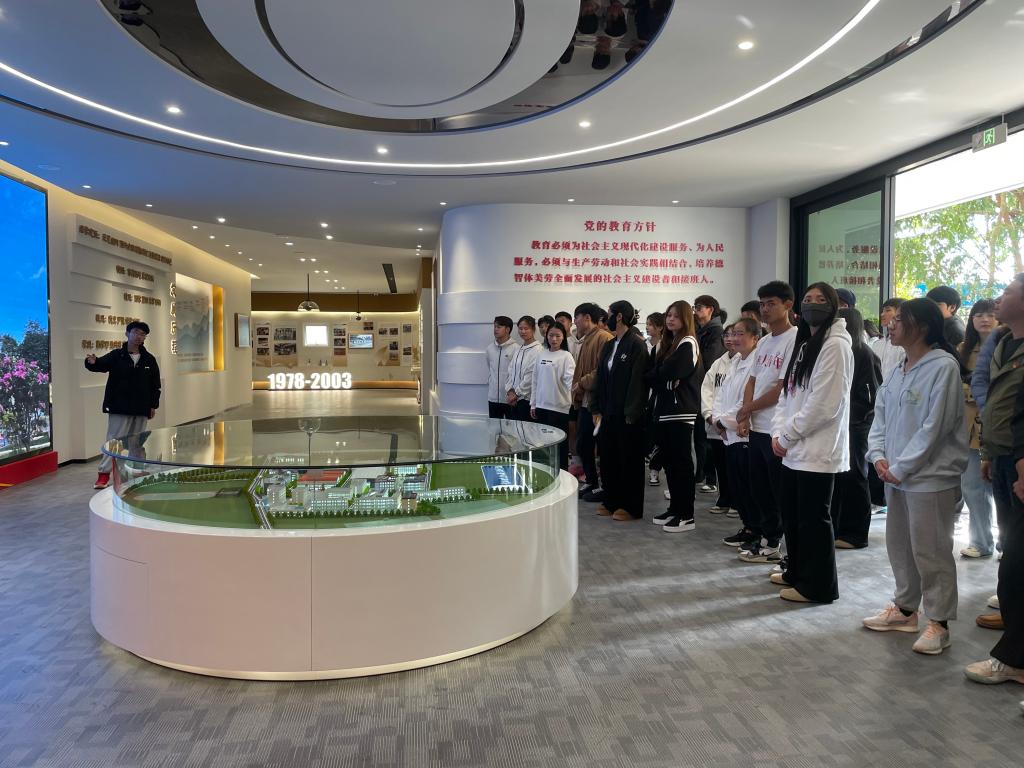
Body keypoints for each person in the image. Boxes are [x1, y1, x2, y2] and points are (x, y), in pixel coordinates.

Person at [864, 298, 967, 655]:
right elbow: (880, 417)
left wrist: (900, 467)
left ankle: (939, 622)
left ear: (921, 326)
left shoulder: (943, 367)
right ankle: (906, 609)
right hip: (896, 475)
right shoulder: (899, 368)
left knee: (932, 551)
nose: (889, 324)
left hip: (930, 477)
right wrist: (878, 455)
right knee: (900, 546)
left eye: (898, 319)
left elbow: (934, 428)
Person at [770, 283, 853, 604]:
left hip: (817, 449)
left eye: (820, 300)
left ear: (833, 307)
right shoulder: (805, 343)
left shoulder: (836, 346)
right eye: (807, 299)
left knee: (813, 520)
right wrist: (778, 432)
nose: (812, 305)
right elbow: (787, 394)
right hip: (793, 447)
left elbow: (824, 405)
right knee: (792, 516)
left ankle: (818, 587)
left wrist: (787, 435)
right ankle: (797, 572)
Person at [965, 274, 1024, 687]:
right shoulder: (1003, 341)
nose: (999, 300)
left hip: (1020, 462)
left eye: (1008, 292)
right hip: (1002, 455)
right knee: (1011, 551)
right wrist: (987, 452)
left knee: (1018, 558)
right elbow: (994, 400)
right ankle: (1014, 625)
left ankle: (1014, 658)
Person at [735, 281, 798, 564]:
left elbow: (781, 389)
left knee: (777, 491)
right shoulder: (763, 342)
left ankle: (775, 542)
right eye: (762, 304)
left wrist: (747, 408)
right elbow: (752, 380)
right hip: (757, 426)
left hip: (776, 427)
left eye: (771, 303)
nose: (765, 309)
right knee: (758, 488)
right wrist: (747, 414)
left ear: (788, 305)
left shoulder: (794, 339)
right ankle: (766, 538)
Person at [84, 321, 161, 490]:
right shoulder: (116, 355)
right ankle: (104, 474)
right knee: (114, 441)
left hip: (141, 407)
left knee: (137, 441)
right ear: (127, 333)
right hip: (119, 406)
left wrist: (153, 405)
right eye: (136, 332)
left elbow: (155, 385)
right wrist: (92, 362)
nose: (139, 336)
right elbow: (100, 365)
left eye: (142, 334)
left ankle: (137, 470)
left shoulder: (149, 359)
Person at [647, 300, 702, 533]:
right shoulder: (670, 344)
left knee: (681, 465)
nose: (670, 319)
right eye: (668, 315)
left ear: (686, 319)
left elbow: (672, 371)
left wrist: (662, 377)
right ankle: (675, 509)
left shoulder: (688, 343)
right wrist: (665, 381)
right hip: (665, 411)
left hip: (681, 412)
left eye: (676, 316)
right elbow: (651, 375)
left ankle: (686, 515)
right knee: (670, 464)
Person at [591, 300, 649, 521]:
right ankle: (611, 500)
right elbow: (600, 377)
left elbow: (638, 383)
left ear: (619, 316)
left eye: (609, 314)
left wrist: (631, 412)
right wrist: (595, 407)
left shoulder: (636, 345)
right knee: (608, 458)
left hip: (628, 415)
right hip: (608, 413)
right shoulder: (610, 345)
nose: (605, 319)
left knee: (629, 461)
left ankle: (631, 506)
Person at [831, 308, 881, 550]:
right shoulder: (838, 350)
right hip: (839, 424)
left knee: (856, 477)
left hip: (856, 425)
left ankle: (856, 534)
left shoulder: (863, 353)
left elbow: (871, 396)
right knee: (839, 478)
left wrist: (853, 418)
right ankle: (839, 527)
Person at [713, 319, 760, 544]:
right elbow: (720, 395)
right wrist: (717, 420)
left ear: (755, 338)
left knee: (749, 488)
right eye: (732, 334)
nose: (734, 338)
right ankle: (748, 526)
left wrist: (723, 421)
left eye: (740, 334)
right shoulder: (735, 362)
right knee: (737, 487)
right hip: (728, 434)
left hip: (744, 434)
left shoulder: (756, 363)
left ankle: (756, 530)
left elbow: (745, 402)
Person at [957, 299, 998, 558]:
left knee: (1003, 489)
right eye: (979, 315)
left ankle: (1010, 545)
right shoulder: (962, 349)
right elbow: (953, 385)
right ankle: (981, 542)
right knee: (972, 486)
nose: (984, 319)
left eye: (990, 314)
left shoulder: (1009, 347)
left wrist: (973, 390)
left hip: (999, 428)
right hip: (968, 429)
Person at [571, 302, 614, 500]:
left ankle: (604, 486)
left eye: (576, 318)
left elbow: (602, 371)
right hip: (586, 401)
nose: (575, 322)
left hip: (597, 403)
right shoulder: (588, 338)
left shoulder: (604, 337)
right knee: (583, 444)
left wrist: (582, 383)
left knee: (601, 446)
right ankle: (591, 481)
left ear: (587, 318)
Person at [531, 323, 576, 471]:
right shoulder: (541, 354)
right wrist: (533, 404)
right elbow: (535, 380)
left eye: (558, 335)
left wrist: (574, 400)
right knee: (543, 444)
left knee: (560, 446)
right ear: (546, 336)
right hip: (541, 406)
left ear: (563, 337)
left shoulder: (566, 356)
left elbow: (570, 381)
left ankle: (561, 473)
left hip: (559, 408)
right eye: (551, 335)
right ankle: (544, 472)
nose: (554, 339)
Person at [694, 294, 726, 494]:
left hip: (710, 390)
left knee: (708, 437)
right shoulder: (700, 330)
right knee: (700, 436)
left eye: (699, 307)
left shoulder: (716, 332)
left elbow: (709, 361)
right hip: (698, 388)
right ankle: (702, 474)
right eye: (695, 307)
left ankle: (711, 478)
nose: (696, 311)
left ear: (710, 309)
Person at [701, 324, 734, 515]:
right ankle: (724, 499)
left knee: (735, 467)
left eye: (734, 335)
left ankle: (737, 501)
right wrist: (709, 415)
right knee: (720, 464)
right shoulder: (718, 364)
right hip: (715, 424)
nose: (729, 339)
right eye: (726, 335)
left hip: (732, 426)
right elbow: (707, 390)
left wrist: (727, 420)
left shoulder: (745, 362)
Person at [505, 316, 541, 422]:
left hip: (526, 401)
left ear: (533, 329)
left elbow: (531, 376)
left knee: (526, 430)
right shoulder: (519, 349)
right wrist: (510, 391)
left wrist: (516, 394)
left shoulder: (538, 350)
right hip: (513, 399)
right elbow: (510, 371)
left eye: (526, 328)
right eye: (520, 328)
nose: (523, 331)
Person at [645, 311, 666, 485]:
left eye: (650, 324)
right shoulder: (644, 345)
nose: (647, 327)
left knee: (660, 435)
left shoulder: (666, 346)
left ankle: (655, 469)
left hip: (660, 396)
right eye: (646, 324)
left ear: (660, 327)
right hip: (647, 396)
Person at [486, 316, 520, 419]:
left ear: (507, 329)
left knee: (511, 428)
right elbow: (490, 368)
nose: (495, 329)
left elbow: (518, 374)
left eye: (499, 327)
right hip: (493, 398)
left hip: (510, 398)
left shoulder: (516, 349)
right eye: (495, 326)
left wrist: (514, 394)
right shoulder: (489, 348)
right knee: (494, 427)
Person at [869, 298, 907, 383]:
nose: (882, 314)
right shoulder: (877, 344)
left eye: (888, 310)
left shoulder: (904, 345)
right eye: (882, 311)